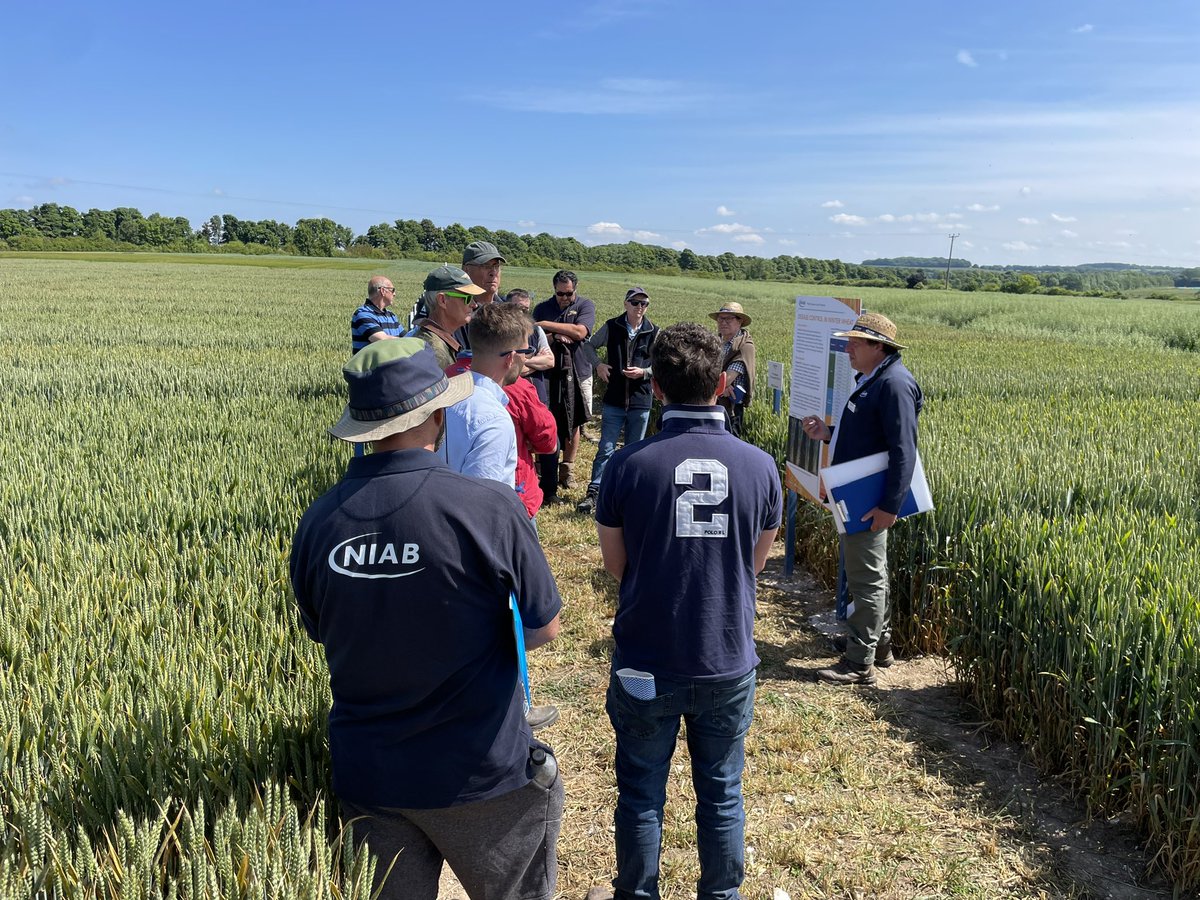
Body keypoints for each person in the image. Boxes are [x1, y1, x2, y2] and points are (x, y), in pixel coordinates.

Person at [290, 338, 564, 900]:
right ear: (437, 414)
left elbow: (323, 628)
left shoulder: (318, 522)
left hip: (371, 778)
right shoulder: (489, 508)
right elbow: (543, 626)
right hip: (482, 773)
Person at [591, 322, 782, 900]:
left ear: (660, 387)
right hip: (725, 655)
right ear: (722, 384)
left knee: (641, 791)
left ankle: (636, 893)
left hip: (647, 653)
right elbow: (757, 564)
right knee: (722, 792)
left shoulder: (627, 465)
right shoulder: (760, 466)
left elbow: (617, 566)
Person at [802, 312, 923, 686]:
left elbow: (904, 450)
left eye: (855, 342)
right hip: (859, 493)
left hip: (870, 500)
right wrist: (829, 433)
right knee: (870, 574)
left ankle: (858, 663)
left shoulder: (894, 385)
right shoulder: (876, 379)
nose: (848, 347)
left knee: (866, 578)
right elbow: (868, 435)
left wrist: (889, 506)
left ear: (878, 346)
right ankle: (877, 646)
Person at [576, 287, 659, 516]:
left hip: (641, 399)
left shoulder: (654, 331)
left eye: (644, 304)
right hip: (613, 398)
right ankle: (595, 492)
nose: (640, 307)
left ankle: (628, 494)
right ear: (626, 304)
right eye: (635, 303)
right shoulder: (612, 326)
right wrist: (598, 365)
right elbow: (588, 345)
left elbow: (662, 363)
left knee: (634, 450)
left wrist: (644, 372)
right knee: (606, 447)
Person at [442, 302, 528, 486]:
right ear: (510, 358)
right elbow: (480, 502)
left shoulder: (444, 393)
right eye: (526, 351)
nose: (526, 358)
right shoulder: (494, 421)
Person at [533, 270, 596, 497]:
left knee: (575, 420)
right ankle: (543, 467)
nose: (564, 298)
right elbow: (534, 337)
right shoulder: (542, 307)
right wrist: (556, 336)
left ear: (575, 290)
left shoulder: (586, 306)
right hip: (549, 373)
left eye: (568, 294)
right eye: (560, 294)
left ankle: (566, 470)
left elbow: (580, 332)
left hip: (579, 370)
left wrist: (546, 326)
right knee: (546, 419)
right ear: (554, 290)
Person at [412, 264, 484, 371]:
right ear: (442, 300)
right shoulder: (435, 353)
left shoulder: (435, 341)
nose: (474, 304)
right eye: (468, 298)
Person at [709, 303, 756, 438]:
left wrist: (721, 385)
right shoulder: (715, 342)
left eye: (728, 319)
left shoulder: (744, 347)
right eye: (720, 319)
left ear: (740, 321)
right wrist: (721, 386)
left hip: (731, 410)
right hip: (712, 403)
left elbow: (725, 379)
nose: (723, 322)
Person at [505, 288, 555, 405]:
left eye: (526, 309)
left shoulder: (536, 330)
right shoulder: (501, 333)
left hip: (537, 397)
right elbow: (513, 370)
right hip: (512, 399)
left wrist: (522, 360)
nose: (522, 313)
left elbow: (550, 361)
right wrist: (537, 363)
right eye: (518, 308)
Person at [350, 275, 402, 355]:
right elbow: (382, 340)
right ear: (383, 291)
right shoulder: (363, 314)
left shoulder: (392, 316)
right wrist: (409, 341)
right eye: (392, 290)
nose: (394, 294)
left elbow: (405, 336)